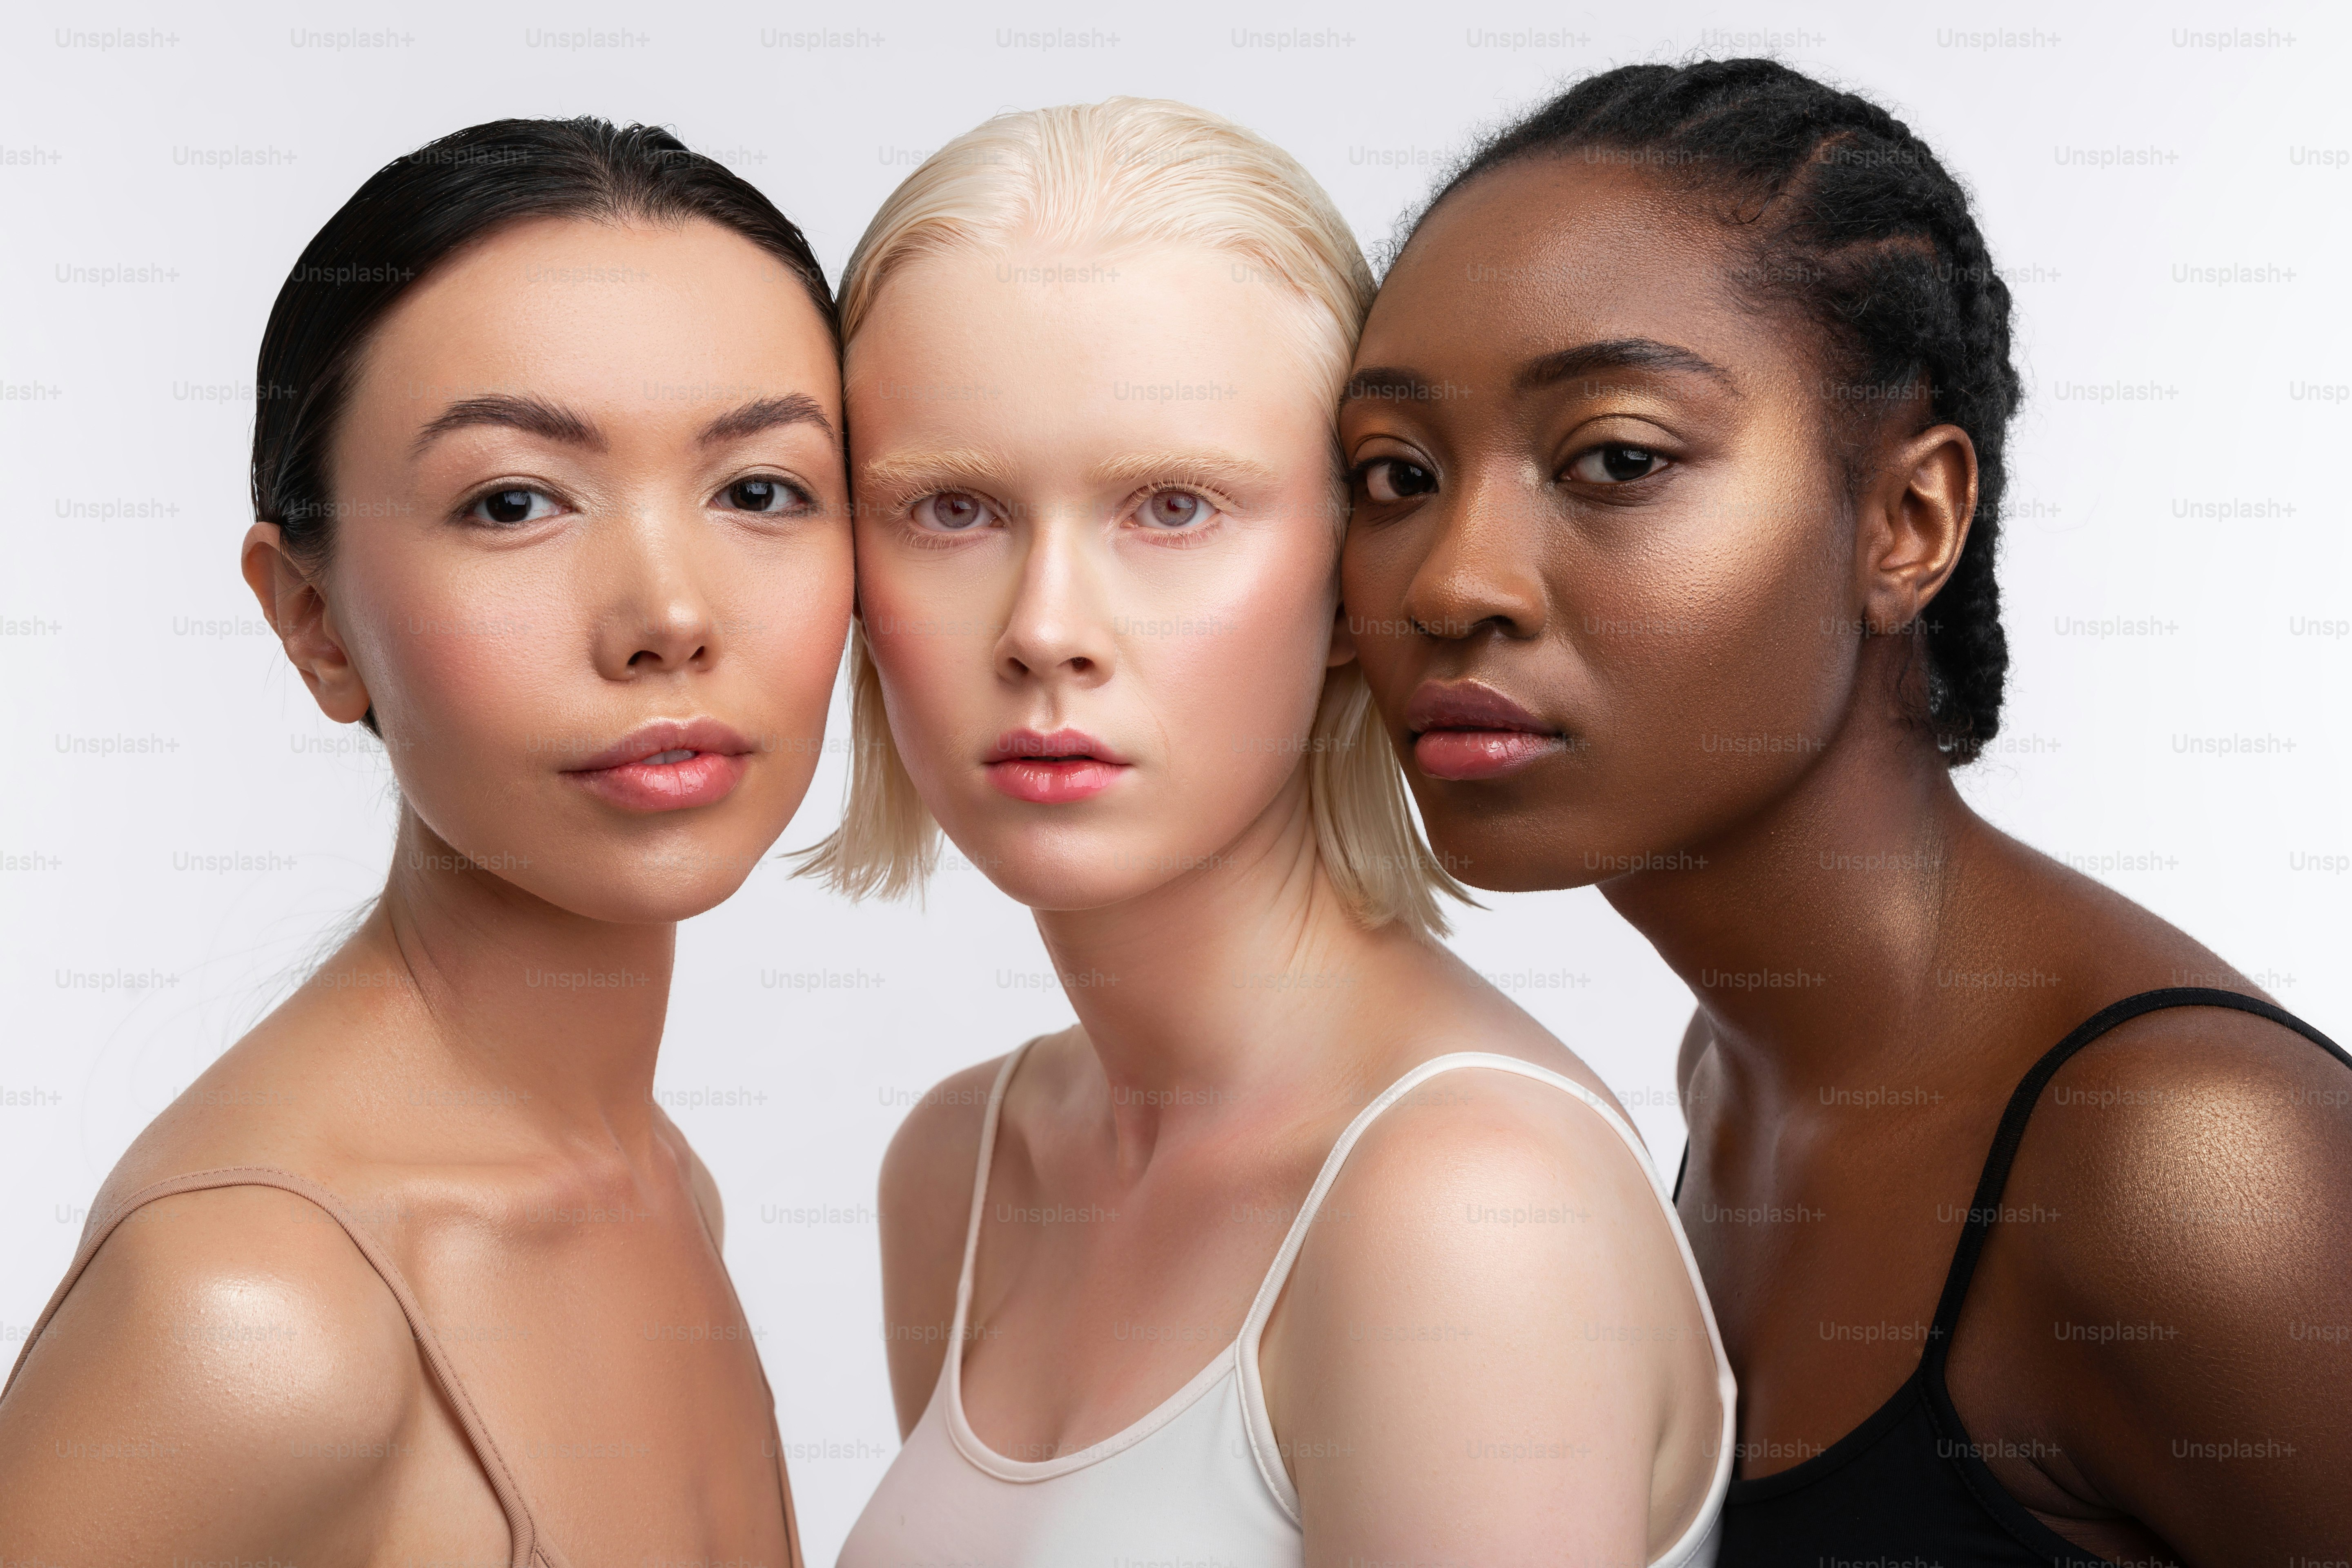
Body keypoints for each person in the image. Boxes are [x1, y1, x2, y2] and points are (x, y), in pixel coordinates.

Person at [1337, 58, 2352, 1567]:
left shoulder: (2189, 1163)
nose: (1451, 583)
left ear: (1908, 523)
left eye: (1618, 460)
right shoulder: (1732, 1078)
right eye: (1396, 474)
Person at [812, 98, 1735, 1566]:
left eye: (1172, 507)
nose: (1049, 631)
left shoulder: (1468, 1209)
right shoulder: (964, 1168)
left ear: (1353, 571)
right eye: (952, 509)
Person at [0, 118, 852, 1567]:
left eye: (758, 489)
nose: (669, 614)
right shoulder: (251, 1313)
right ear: (312, 620)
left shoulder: (659, 1181)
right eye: (513, 501)